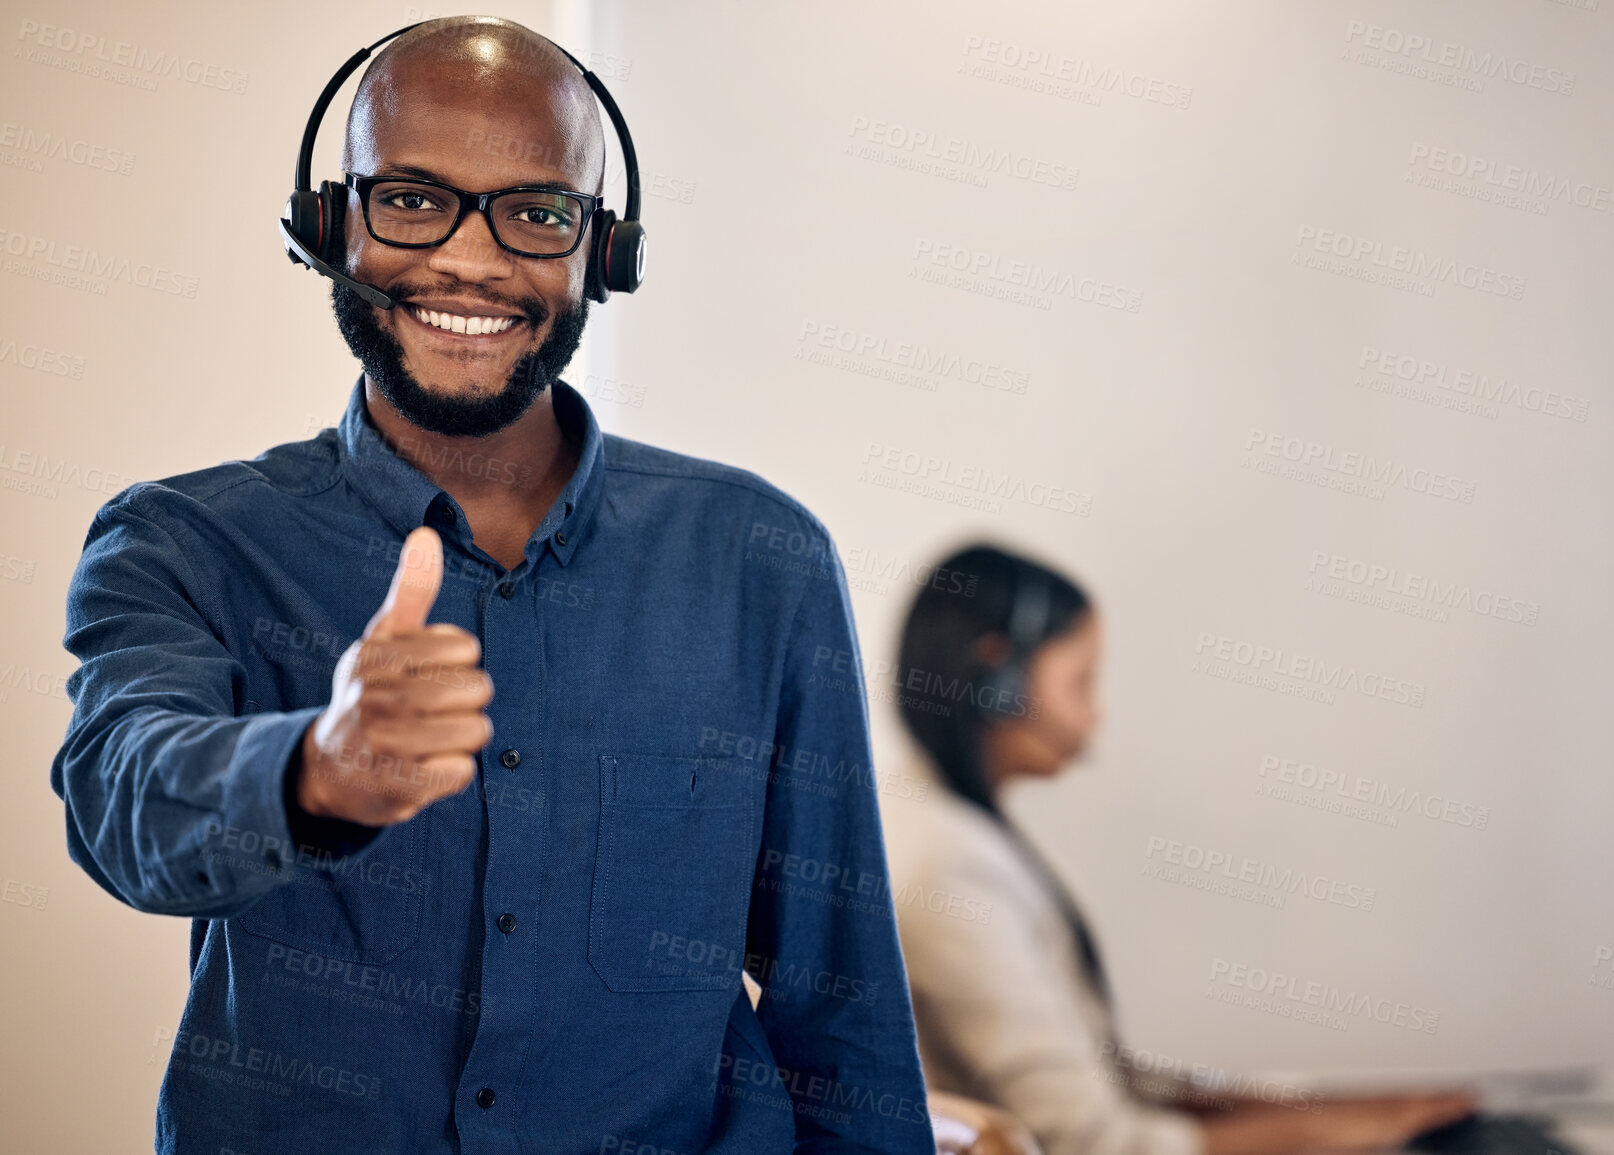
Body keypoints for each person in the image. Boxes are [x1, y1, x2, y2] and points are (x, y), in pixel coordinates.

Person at [50, 17, 930, 1153]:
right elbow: (121, 801)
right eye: (412, 198)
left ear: (601, 252)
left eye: (537, 211)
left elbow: (841, 1008)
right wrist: (316, 772)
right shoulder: (181, 542)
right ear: (329, 225)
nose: (470, 258)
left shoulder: (762, 560)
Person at [879, 544, 1478, 1155]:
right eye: (1081, 682)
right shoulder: (951, 867)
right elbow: (1091, 1141)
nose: (1095, 716)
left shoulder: (949, 826)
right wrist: (1330, 1132)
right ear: (997, 675)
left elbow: (1101, 1076)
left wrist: (1311, 1109)